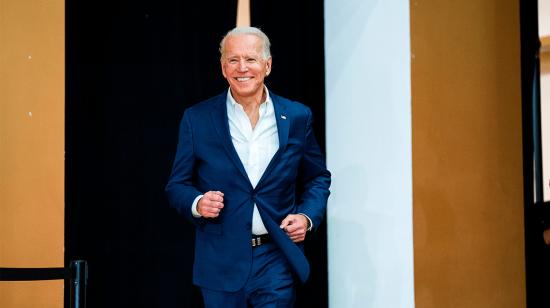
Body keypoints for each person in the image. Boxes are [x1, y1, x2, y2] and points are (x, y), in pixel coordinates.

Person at [166, 26, 331, 308]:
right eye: (233, 60)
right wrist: (197, 203)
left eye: (251, 59)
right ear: (222, 67)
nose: (242, 68)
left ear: (267, 65)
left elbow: (317, 177)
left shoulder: (296, 116)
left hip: (275, 257)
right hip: (220, 262)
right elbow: (176, 185)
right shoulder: (197, 118)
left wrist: (306, 217)